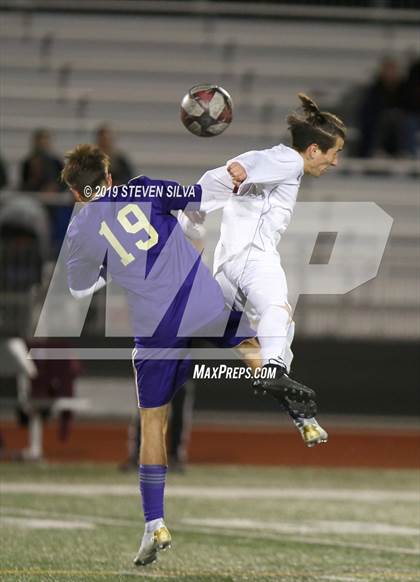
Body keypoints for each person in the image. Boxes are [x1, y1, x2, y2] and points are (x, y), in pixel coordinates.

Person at [61, 145, 316, 567]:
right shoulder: (142, 188)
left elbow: (78, 288)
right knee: (253, 348)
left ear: (76, 191)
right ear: (108, 177)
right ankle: (303, 418)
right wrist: (231, 175)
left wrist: (109, 266)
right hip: (197, 300)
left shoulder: (79, 230)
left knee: (152, 424)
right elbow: (199, 198)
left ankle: (154, 522)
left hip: (154, 327)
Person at [181, 93, 346, 446]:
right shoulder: (287, 160)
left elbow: (217, 179)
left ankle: (303, 418)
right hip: (254, 258)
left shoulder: (276, 166)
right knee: (279, 313)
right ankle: (275, 372)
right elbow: (257, 160)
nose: (335, 162)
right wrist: (244, 166)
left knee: (265, 344)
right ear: (314, 150)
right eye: (334, 153)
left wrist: (192, 211)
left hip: (224, 269)